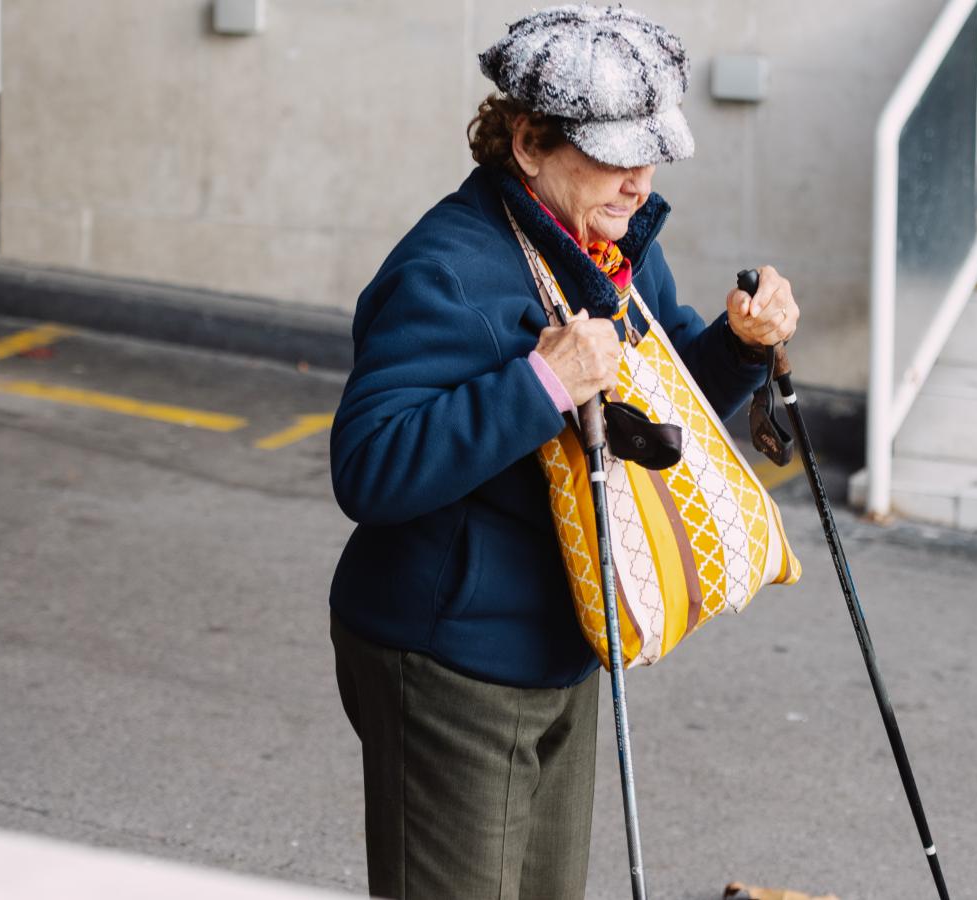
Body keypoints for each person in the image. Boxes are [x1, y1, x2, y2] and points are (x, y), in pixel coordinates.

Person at [327, 5, 800, 898]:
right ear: (529, 142)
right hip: (447, 661)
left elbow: (664, 406)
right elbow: (370, 467)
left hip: (568, 640)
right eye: (615, 153)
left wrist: (739, 346)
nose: (639, 179)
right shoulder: (449, 271)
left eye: (650, 151)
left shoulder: (601, 249)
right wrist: (542, 385)